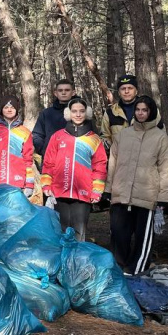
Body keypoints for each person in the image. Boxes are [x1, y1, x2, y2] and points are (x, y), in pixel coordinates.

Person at [106, 96, 168, 275]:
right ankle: (119, 270)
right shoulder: (123, 135)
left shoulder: (160, 138)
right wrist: (108, 189)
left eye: (145, 110)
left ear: (151, 112)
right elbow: (113, 162)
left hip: (146, 195)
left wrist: (164, 197)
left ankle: (136, 271)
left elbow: (166, 169)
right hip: (121, 194)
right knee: (119, 236)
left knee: (143, 239)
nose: (141, 113)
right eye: (138, 110)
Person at [41, 97, 107, 240]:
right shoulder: (57, 136)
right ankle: (62, 261)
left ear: (87, 113)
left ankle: (76, 260)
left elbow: (100, 166)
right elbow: (48, 162)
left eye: (81, 111)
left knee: (78, 233)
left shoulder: (94, 139)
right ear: (68, 113)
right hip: (59, 192)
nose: (78, 114)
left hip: (83, 194)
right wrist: (46, 184)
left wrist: (97, 191)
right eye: (74, 111)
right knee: (61, 232)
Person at [0, 95, 35, 195]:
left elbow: (28, 160)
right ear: (1, 109)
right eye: (6, 107)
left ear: (17, 109)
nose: (9, 110)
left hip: (18, 184)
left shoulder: (25, 132)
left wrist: (29, 184)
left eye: (12, 107)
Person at [32, 78, 76, 156]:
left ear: (73, 93)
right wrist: (44, 151)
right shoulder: (46, 113)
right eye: (60, 90)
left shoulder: (81, 113)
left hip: (75, 159)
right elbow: (37, 135)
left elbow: (92, 136)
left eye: (67, 90)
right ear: (55, 93)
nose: (63, 93)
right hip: (50, 159)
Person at [99, 74, 140, 147]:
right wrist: (106, 144)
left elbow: (160, 135)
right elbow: (104, 136)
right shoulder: (110, 113)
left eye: (130, 88)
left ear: (136, 91)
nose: (126, 91)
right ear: (119, 92)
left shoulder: (149, 110)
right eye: (123, 89)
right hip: (119, 157)